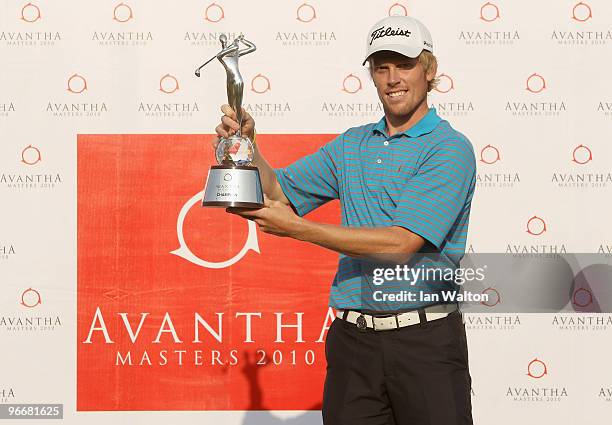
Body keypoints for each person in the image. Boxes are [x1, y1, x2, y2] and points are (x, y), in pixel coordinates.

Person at [214, 15, 475, 425]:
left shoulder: (449, 148)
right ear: (370, 74)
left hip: (424, 343)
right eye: (381, 66)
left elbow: (400, 244)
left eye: (404, 65)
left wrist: (298, 230)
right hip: (353, 342)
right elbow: (279, 190)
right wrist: (248, 147)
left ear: (429, 70)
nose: (392, 78)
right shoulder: (352, 143)